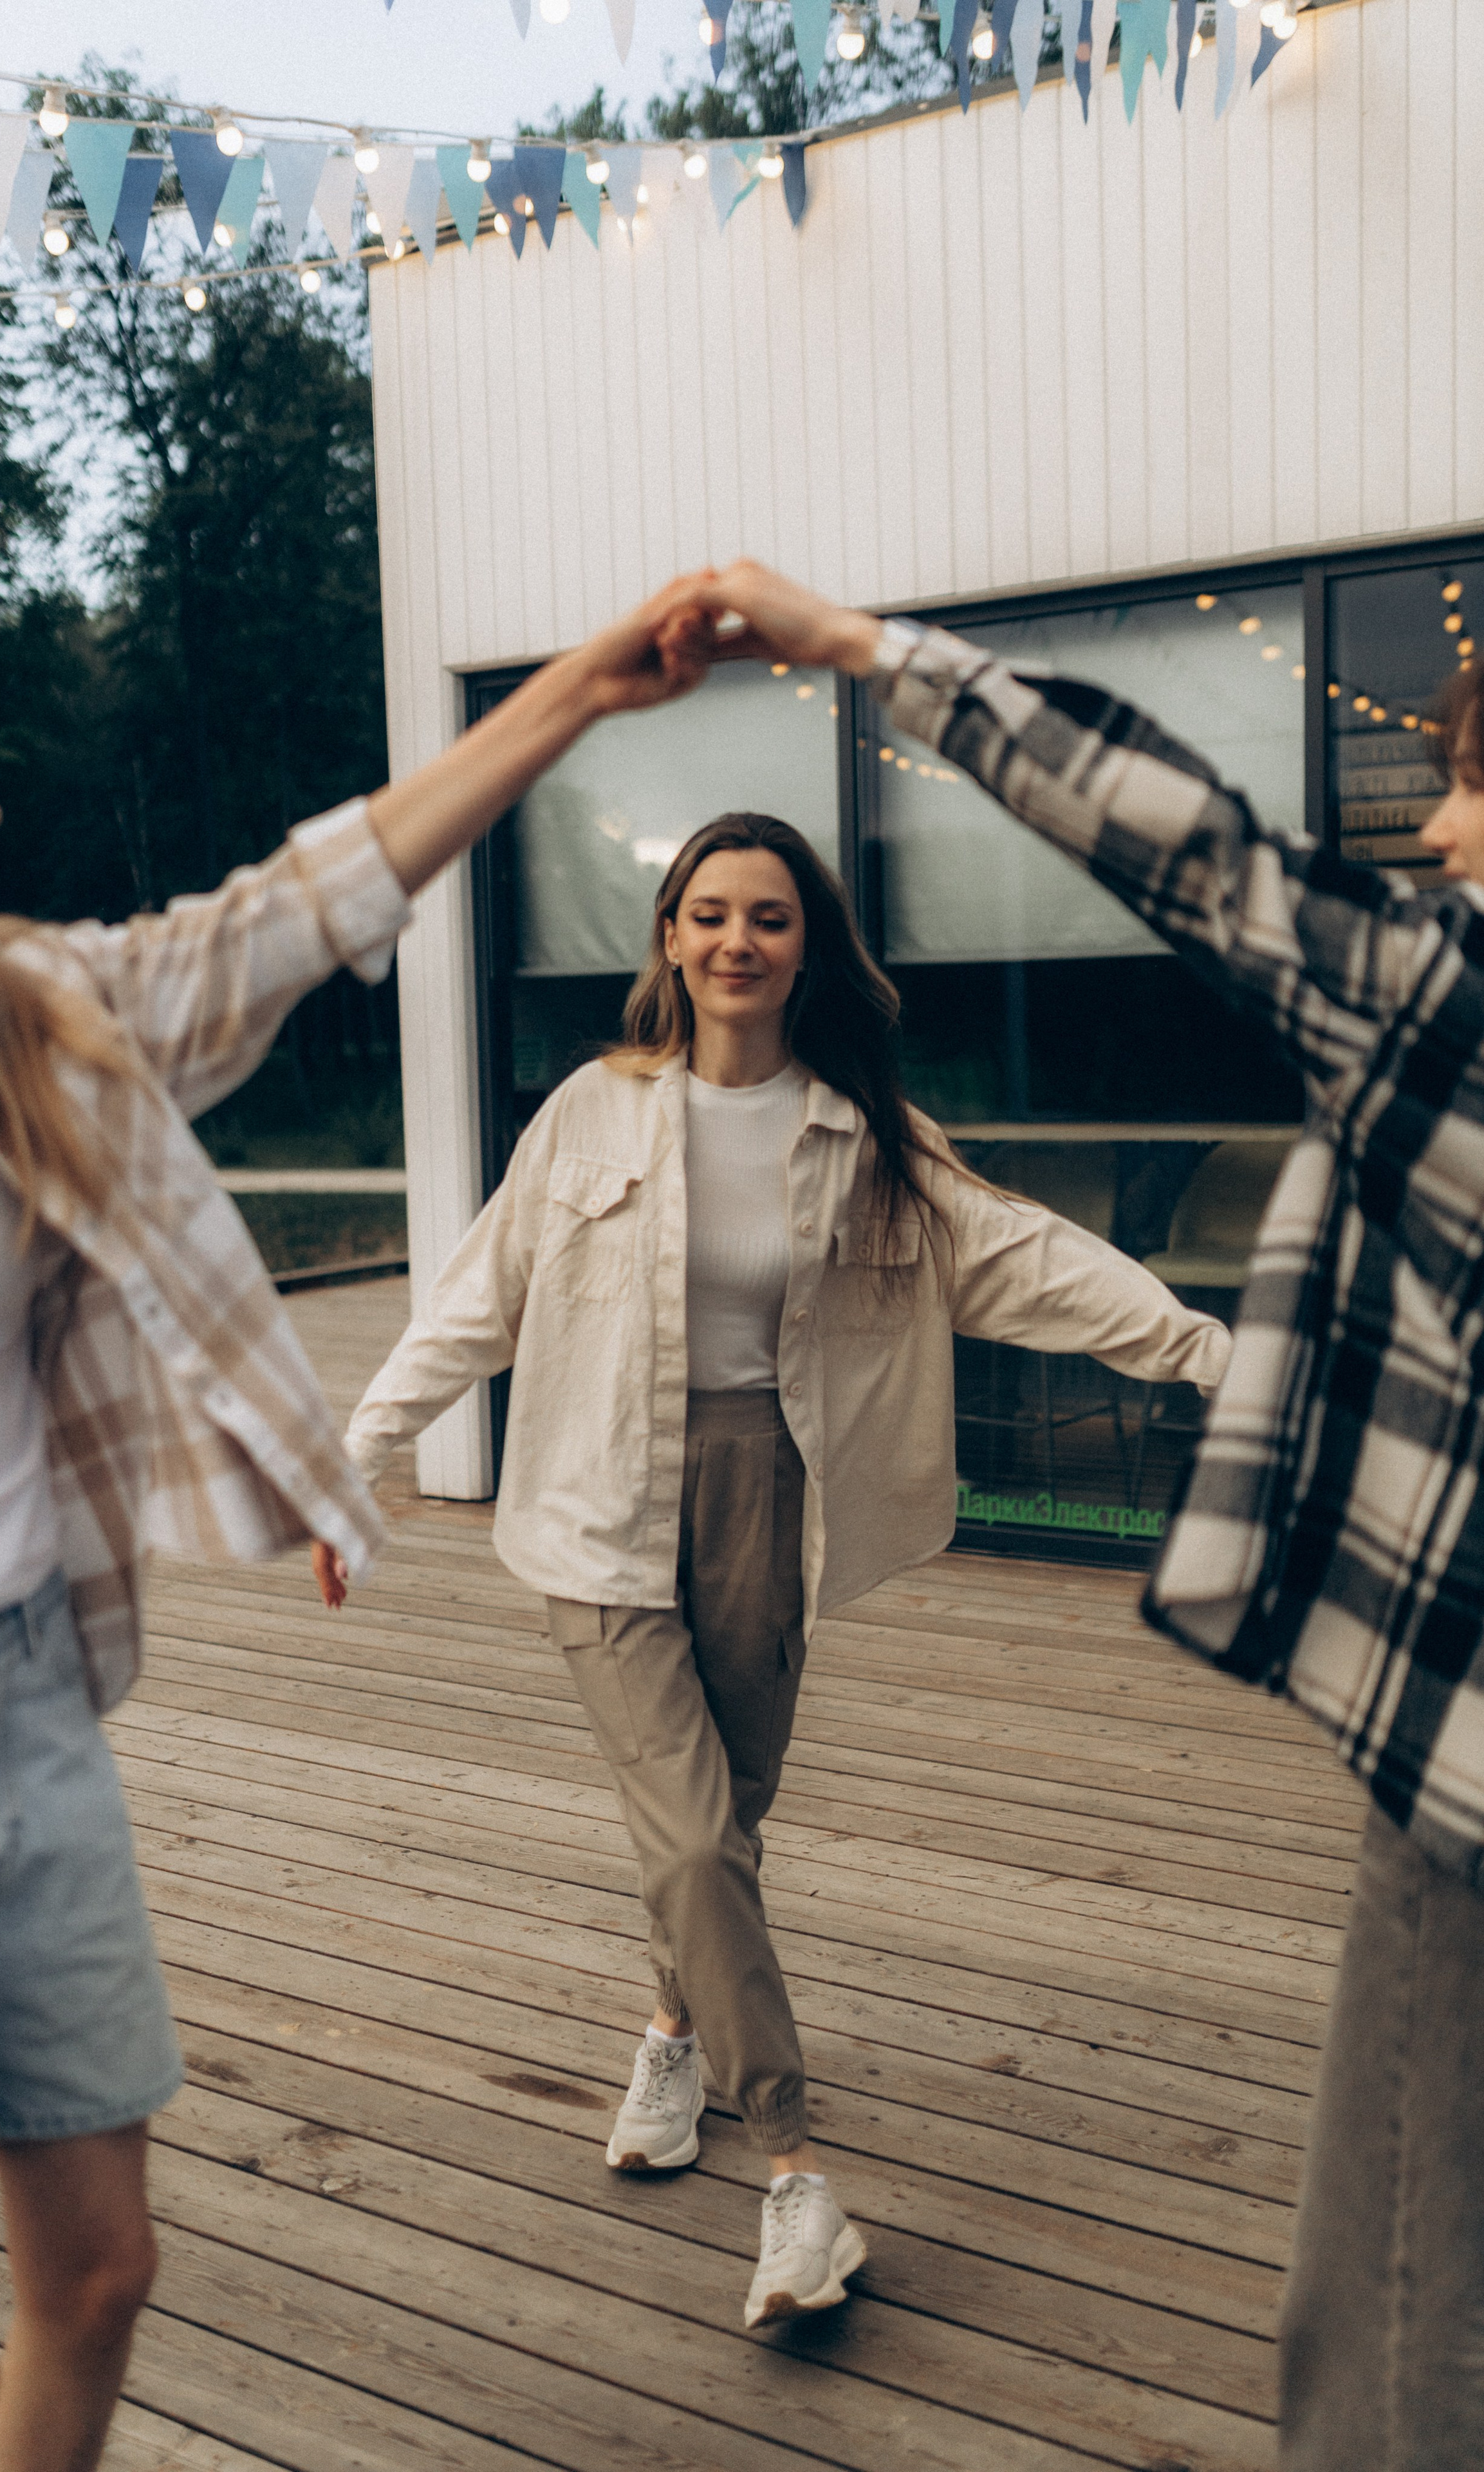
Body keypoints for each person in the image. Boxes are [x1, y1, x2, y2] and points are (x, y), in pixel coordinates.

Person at [0, 580, 714, 2472]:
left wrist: (567, 697)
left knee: (98, 2277)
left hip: (30, 1710)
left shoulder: (28, 1021)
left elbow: (286, 916)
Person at [685, 559, 1484, 2466]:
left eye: (1469, 776)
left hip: (1463, 1774)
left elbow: (1187, 847)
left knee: (1397, 2309)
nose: (1440, 822)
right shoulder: (591, 1119)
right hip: (617, 1530)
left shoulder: (1451, 1002)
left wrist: (860, 650)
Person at [324, 803, 1230, 2330]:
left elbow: (1029, 1258)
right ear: (668, 939)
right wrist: (356, 1455)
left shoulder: (861, 1135)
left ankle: (672, 2033)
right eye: (708, 913)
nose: (736, 941)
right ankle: (796, 2175)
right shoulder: (589, 1117)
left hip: (766, 1494)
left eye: (769, 917)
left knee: (721, 1821)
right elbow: (475, 1297)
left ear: (806, 950)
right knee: (690, 1839)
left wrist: (1212, 1356)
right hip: (597, 1496)